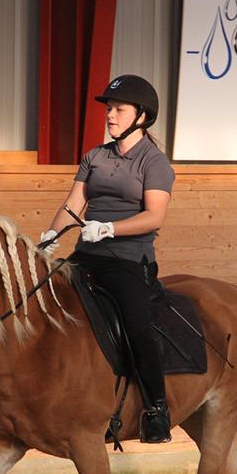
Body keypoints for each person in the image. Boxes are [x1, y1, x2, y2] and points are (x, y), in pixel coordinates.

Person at [41, 74, 176, 443]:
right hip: (86, 255)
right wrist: (50, 237)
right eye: (109, 109)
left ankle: (156, 410)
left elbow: (154, 216)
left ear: (142, 117)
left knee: (137, 327)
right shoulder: (95, 156)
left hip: (128, 260)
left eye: (119, 109)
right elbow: (73, 204)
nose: (110, 116)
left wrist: (111, 229)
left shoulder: (155, 163)